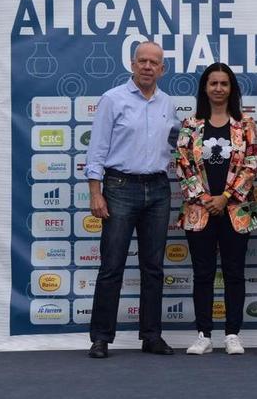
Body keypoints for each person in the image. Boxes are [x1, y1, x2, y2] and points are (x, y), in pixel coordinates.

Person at [86, 41, 179, 359]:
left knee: (153, 268)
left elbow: (176, 147)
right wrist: (95, 192)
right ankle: (100, 338)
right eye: (143, 61)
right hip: (119, 187)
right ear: (132, 64)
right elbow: (96, 149)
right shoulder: (112, 99)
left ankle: (151, 336)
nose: (148, 67)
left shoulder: (168, 103)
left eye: (155, 62)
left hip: (158, 189)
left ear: (162, 69)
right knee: (111, 266)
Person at [174, 62, 257, 356]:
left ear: (231, 88)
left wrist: (225, 197)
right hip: (199, 211)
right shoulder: (190, 124)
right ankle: (204, 334)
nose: (219, 89)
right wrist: (205, 198)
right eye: (214, 83)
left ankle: (233, 334)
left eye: (224, 84)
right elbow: (182, 164)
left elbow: (251, 165)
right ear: (205, 88)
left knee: (234, 272)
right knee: (203, 273)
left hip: (235, 211)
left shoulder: (246, 125)